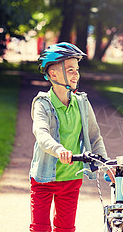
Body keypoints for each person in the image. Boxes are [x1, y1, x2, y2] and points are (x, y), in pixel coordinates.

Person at [29, 42, 110, 232]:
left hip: (71, 178)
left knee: (65, 229)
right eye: (70, 69)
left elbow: (95, 136)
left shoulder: (82, 102)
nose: (76, 74)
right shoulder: (42, 103)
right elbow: (41, 133)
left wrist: (105, 164)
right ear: (53, 74)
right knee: (39, 228)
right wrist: (59, 150)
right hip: (44, 178)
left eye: (77, 69)